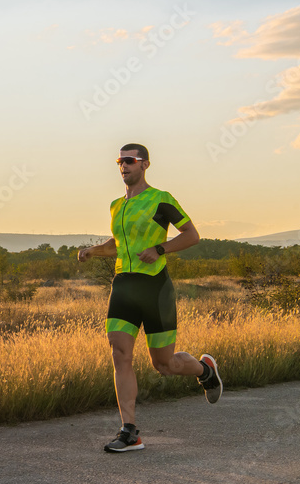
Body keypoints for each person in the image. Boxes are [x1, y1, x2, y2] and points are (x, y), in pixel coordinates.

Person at [77, 143, 222, 453]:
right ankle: (129, 431)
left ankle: (204, 370)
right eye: (119, 161)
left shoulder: (161, 200)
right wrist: (94, 251)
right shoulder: (117, 205)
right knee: (120, 353)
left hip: (155, 288)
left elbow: (191, 235)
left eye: (129, 161)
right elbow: (117, 244)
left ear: (144, 165)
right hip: (124, 286)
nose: (123, 166)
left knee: (165, 364)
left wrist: (159, 249)